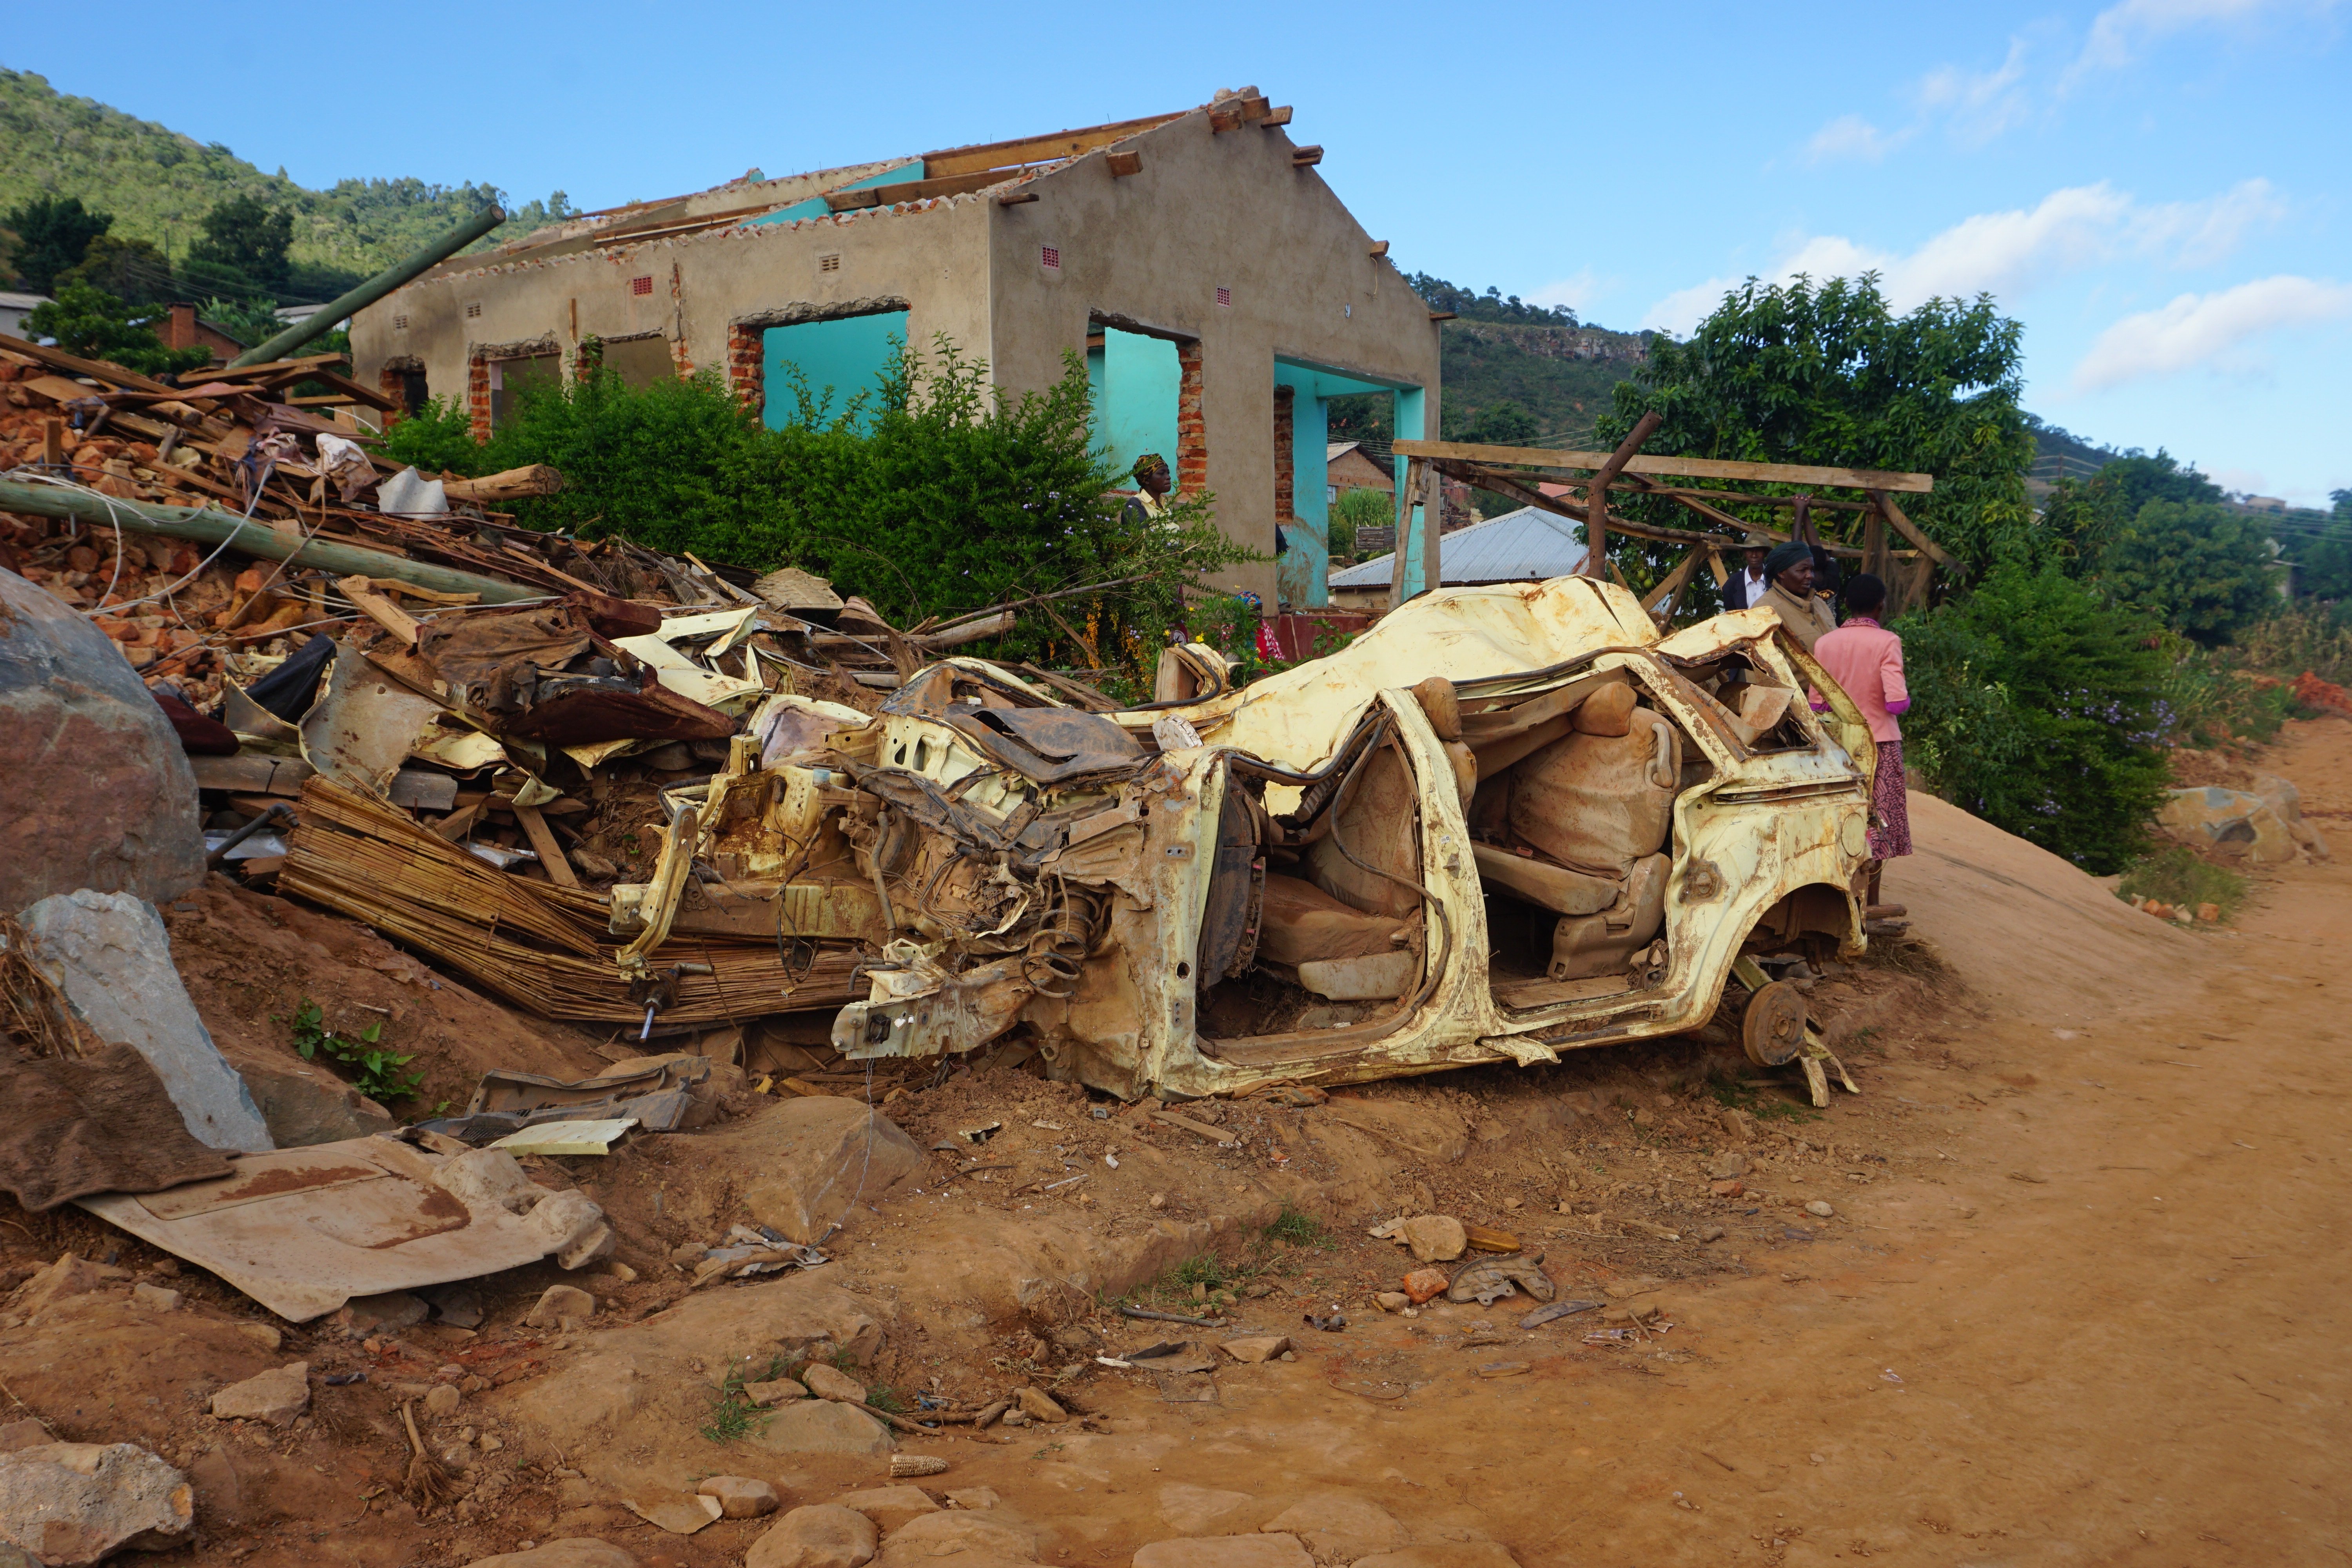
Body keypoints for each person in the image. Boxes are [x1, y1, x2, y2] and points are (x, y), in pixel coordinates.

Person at [1812, 572, 1911, 907]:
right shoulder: (1888, 642)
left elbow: (1817, 703)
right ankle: (1870, 902)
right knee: (1878, 823)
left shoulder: (1825, 643)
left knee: (1839, 817)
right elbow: (1895, 702)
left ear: (1847, 606)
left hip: (1837, 746)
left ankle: (1834, 897)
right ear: (1880, 606)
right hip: (1880, 744)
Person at [1756, 540, 1835, 651]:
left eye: (1812, 570)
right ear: (1781, 573)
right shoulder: (1765, 610)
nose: (1810, 576)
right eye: (1803, 570)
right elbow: (1765, 663)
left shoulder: (1819, 603)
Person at [1720, 534, 1773, 610]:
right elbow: (1731, 617)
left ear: (1765, 554)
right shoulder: (1731, 584)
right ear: (1745, 553)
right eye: (1750, 551)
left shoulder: (1775, 580)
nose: (1754, 555)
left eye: (1758, 551)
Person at [1122, 452, 1172, 529]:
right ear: (1147, 480)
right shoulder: (1136, 505)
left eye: (1168, 473)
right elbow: (1142, 538)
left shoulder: (1166, 505)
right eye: (1162, 473)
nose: (1168, 477)